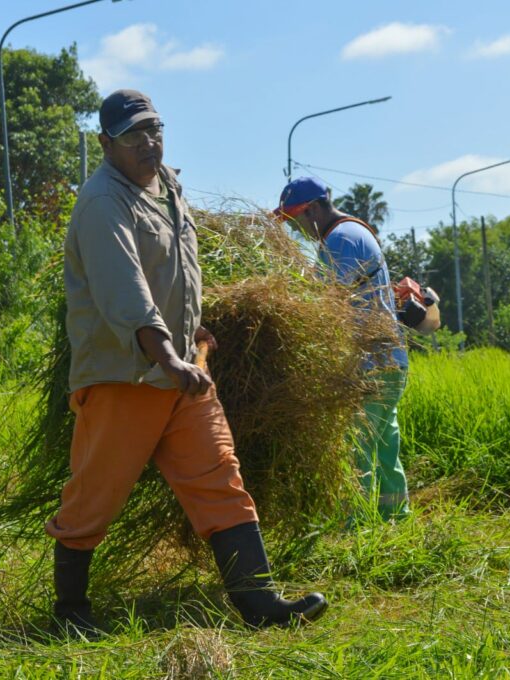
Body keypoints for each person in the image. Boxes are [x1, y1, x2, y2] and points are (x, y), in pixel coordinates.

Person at [47, 90, 327, 636]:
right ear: (105, 143)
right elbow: (124, 292)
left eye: (154, 129)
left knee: (219, 478)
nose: (147, 142)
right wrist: (169, 356)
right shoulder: (104, 202)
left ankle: (259, 601)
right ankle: (70, 613)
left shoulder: (168, 186)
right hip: (124, 377)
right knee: (95, 496)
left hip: (180, 371)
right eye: (132, 135)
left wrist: (188, 329)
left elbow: (175, 268)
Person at [275, 177, 413, 521]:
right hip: (388, 359)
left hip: (369, 361)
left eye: (296, 221)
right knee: (383, 444)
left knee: (357, 447)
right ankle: (395, 518)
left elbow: (321, 302)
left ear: (314, 209)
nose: (297, 231)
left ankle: (357, 527)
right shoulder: (354, 232)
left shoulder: (341, 240)